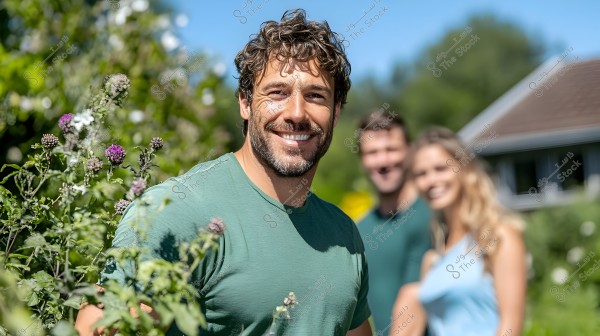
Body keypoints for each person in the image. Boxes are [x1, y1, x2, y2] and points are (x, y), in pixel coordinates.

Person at [75, 9, 372, 335]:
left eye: (316, 95)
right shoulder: (176, 211)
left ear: (336, 111)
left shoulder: (344, 236)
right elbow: (97, 327)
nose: (296, 113)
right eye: (277, 93)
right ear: (245, 103)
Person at [390, 127, 526, 336]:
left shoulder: (499, 237)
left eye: (441, 169)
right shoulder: (433, 258)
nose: (432, 180)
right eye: (421, 174)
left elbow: (510, 326)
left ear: (464, 169)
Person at [353, 110, 432, 334]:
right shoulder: (358, 230)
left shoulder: (430, 216)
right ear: (361, 159)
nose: (383, 161)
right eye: (372, 152)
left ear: (410, 151)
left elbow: (413, 303)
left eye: (391, 149)